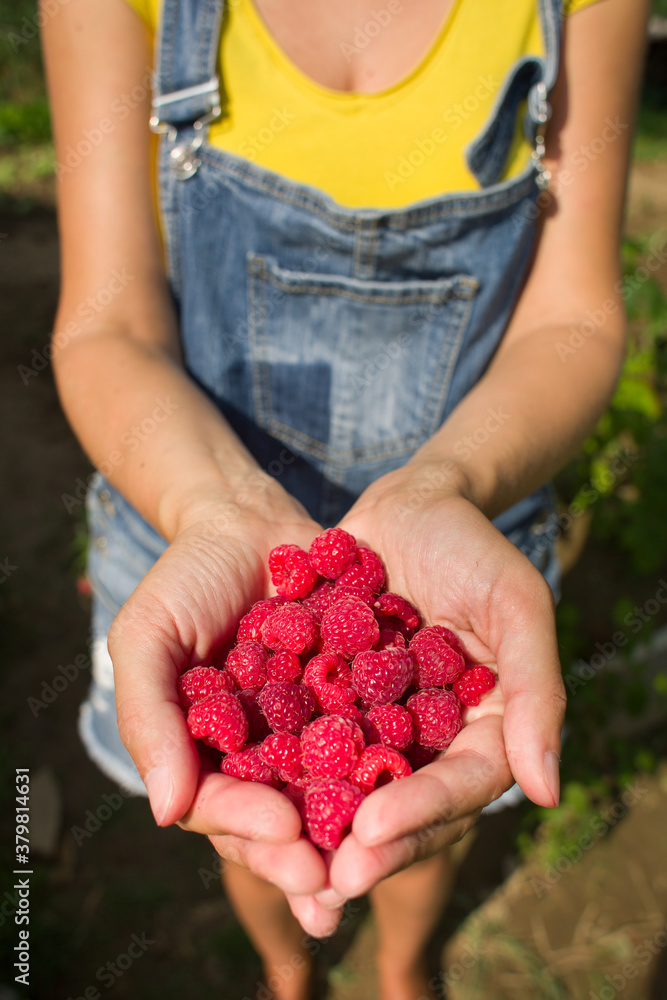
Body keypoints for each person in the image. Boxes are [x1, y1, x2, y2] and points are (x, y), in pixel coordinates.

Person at [41, 0, 648, 996]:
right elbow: (106, 323)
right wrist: (212, 506)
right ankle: (288, 971)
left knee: (419, 826)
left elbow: (574, 320)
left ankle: (403, 967)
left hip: (459, 514)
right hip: (192, 505)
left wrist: (445, 483)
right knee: (243, 824)